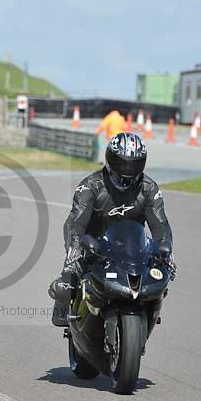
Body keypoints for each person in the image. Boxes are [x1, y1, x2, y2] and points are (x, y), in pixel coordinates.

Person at [48, 132, 175, 327]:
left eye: (133, 164)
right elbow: (76, 222)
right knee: (65, 286)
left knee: (159, 277)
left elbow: (160, 224)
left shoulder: (149, 189)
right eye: (122, 163)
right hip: (93, 246)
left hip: (131, 249)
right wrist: (75, 248)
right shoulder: (90, 186)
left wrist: (166, 251)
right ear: (110, 159)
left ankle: (147, 315)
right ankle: (69, 310)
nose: (127, 170)